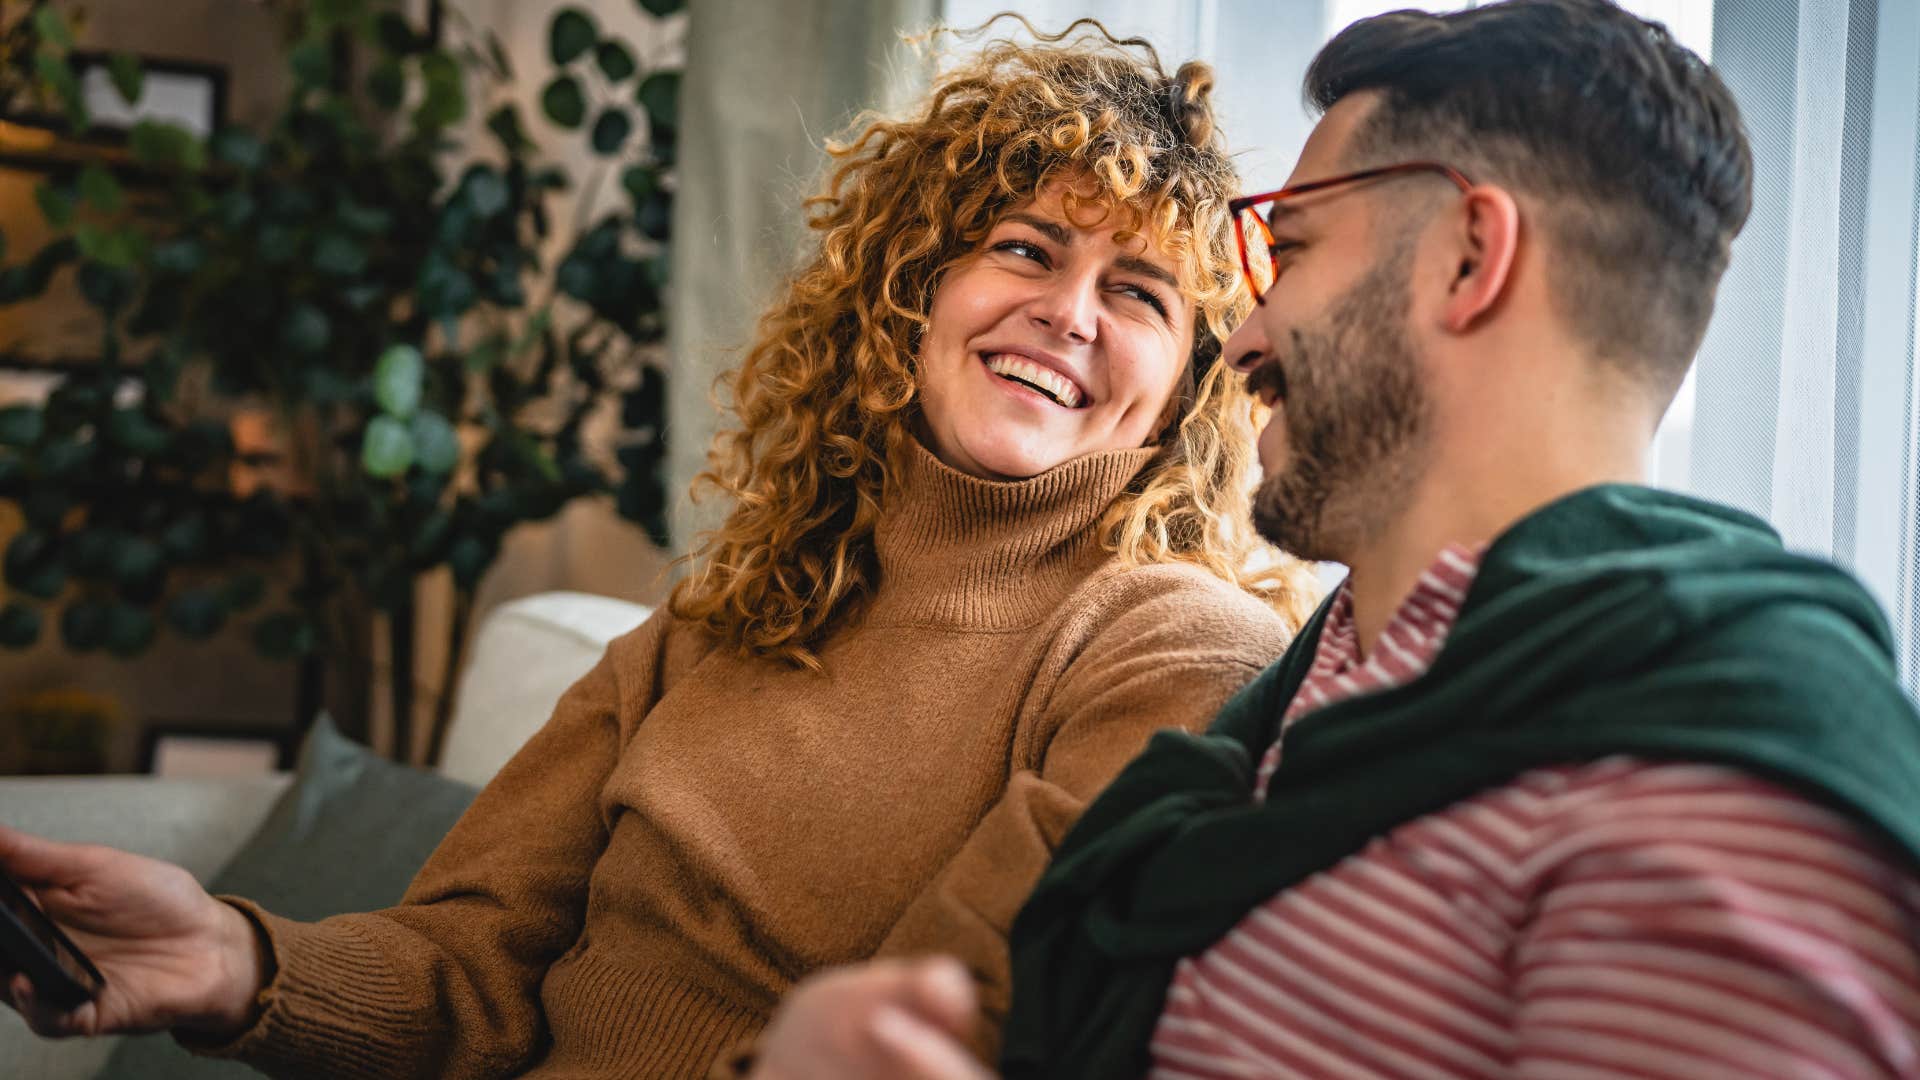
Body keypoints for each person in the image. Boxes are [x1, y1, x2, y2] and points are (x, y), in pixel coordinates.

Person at [0, 23, 1321, 1080]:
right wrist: (233, 960)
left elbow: (946, 1029)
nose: (1065, 311)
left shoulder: (1171, 644)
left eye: (1138, 293)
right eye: (1022, 248)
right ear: (911, 292)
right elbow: (469, 967)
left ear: (1189, 387)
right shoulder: (726, 615)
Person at [741, 2, 1920, 1077]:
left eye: (1289, 251)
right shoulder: (1329, 685)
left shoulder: (1712, 791)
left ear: (1469, 257)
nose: (1244, 340)